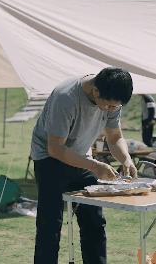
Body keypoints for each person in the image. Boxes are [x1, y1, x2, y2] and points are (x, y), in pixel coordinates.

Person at [30, 67, 136, 264]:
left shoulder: (112, 97)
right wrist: (95, 166)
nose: (112, 110)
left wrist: (126, 159)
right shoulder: (66, 98)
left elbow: (114, 137)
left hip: (82, 156)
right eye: (110, 106)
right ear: (96, 91)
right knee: (50, 226)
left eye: (116, 107)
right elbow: (55, 148)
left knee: (94, 221)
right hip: (49, 158)